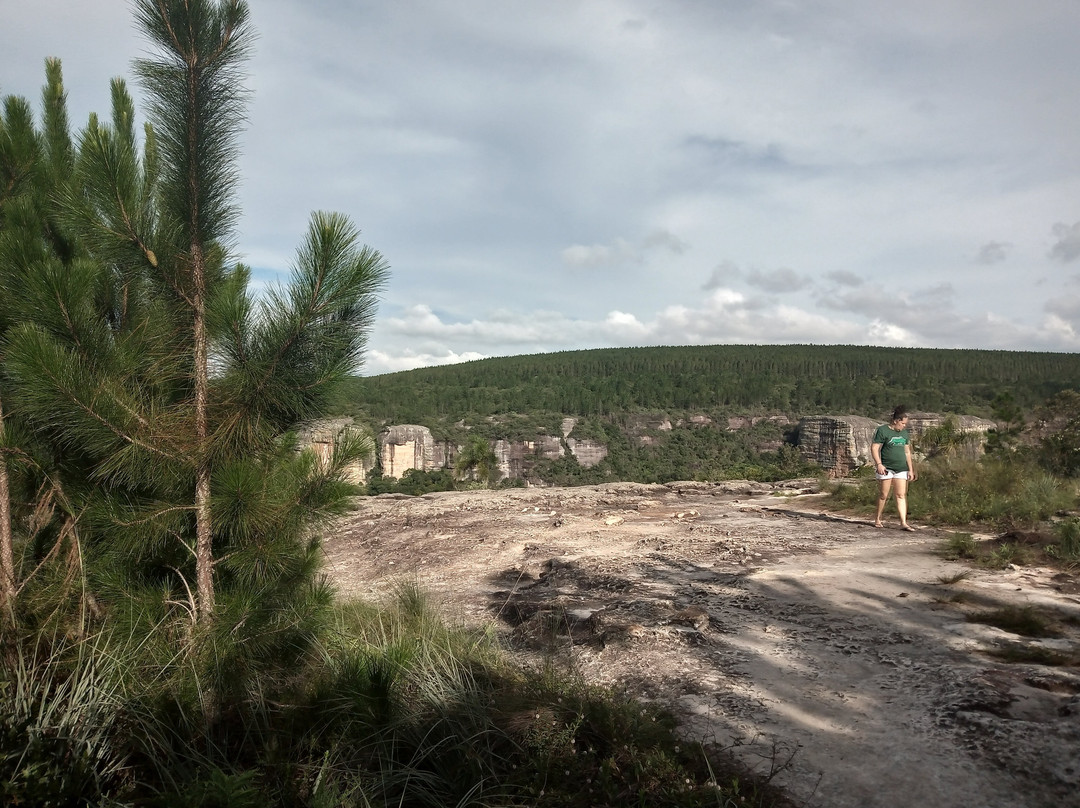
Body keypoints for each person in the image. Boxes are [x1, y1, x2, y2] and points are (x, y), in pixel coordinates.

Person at [871, 405, 917, 530]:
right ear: (896, 421)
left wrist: (910, 469)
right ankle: (878, 518)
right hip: (886, 467)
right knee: (883, 495)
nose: (904, 426)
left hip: (901, 468)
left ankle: (903, 522)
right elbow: (875, 448)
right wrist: (879, 464)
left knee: (901, 494)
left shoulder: (904, 433)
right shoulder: (883, 430)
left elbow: (907, 452)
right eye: (902, 423)